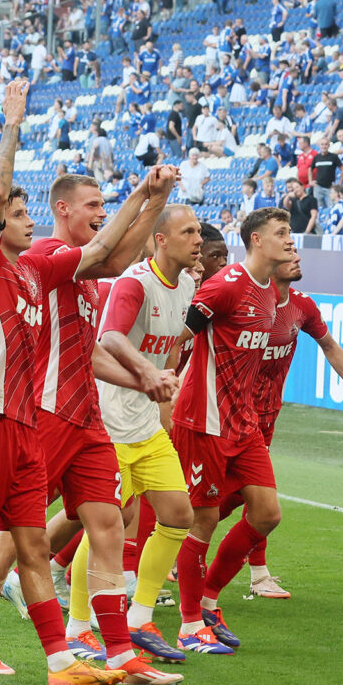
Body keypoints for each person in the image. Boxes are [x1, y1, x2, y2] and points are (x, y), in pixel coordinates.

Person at [0, 80, 138, 685]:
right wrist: (12, 124)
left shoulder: (39, 271)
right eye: (17, 215)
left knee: (30, 546)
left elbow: (103, 247)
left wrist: (145, 198)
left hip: (26, 424)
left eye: (26, 214)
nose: (25, 221)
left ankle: (58, 662)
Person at [0, 168, 183, 684]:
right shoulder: (43, 259)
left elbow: (113, 270)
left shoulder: (77, 274)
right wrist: (144, 193)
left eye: (105, 203)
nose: (101, 212)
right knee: (14, 539)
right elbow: (107, 250)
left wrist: (138, 379)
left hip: (86, 418)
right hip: (47, 414)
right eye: (93, 203)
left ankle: (121, 653)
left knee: (107, 524)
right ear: (65, 210)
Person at [96, 204, 235, 657]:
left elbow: (172, 345)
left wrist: (167, 387)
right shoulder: (134, 283)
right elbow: (110, 339)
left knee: (178, 514)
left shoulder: (190, 284)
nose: (199, 240)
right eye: (189, 231)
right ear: (161, 239)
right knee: (105, 528)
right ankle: (80, 625)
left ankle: (139, 616)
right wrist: (147, 375)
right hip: (110, 422)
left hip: (145, 423)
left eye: (199, 231)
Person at [171, 207, 295, 650]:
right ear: (257, 240)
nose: (290, 239)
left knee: (266, 514)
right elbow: (177, 337)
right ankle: (189, 627)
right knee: (199, 522)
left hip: (243, 423)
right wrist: (162, 385)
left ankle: (207, 601)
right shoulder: (224, 286)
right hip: (203, 420)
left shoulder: (269, 293)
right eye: (281, 233)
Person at [215, 249, 343, 598]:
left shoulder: (301, 306)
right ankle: (176, 545)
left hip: (265, 417)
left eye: (296, 250)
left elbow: (328, 344)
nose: (296, 257)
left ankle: (255, 573)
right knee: (219, 494)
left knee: (248, 495)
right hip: (225, 413)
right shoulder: (240, 299)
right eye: (285, 250)